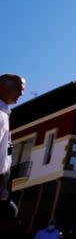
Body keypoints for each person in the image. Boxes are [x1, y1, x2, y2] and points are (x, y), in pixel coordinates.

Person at [0, 74, 25, 224]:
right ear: (2, 87)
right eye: (18, 89)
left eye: (23, 90)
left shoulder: (5, 113)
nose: (21, 93)